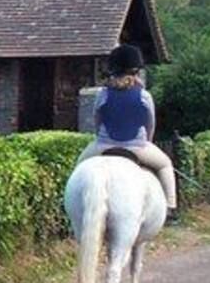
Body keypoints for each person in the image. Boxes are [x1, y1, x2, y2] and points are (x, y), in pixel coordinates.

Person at [76, 44, 178, 218]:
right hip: (137, 147)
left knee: (79, 167)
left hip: (102, 145)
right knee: (165, 164)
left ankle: (68, 205)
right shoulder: (145, 96)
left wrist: (101, 139)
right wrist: (147, 143)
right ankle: (170, 207)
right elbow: (150, 125)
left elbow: (97, 122)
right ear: (136, 71)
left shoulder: (102, 94)